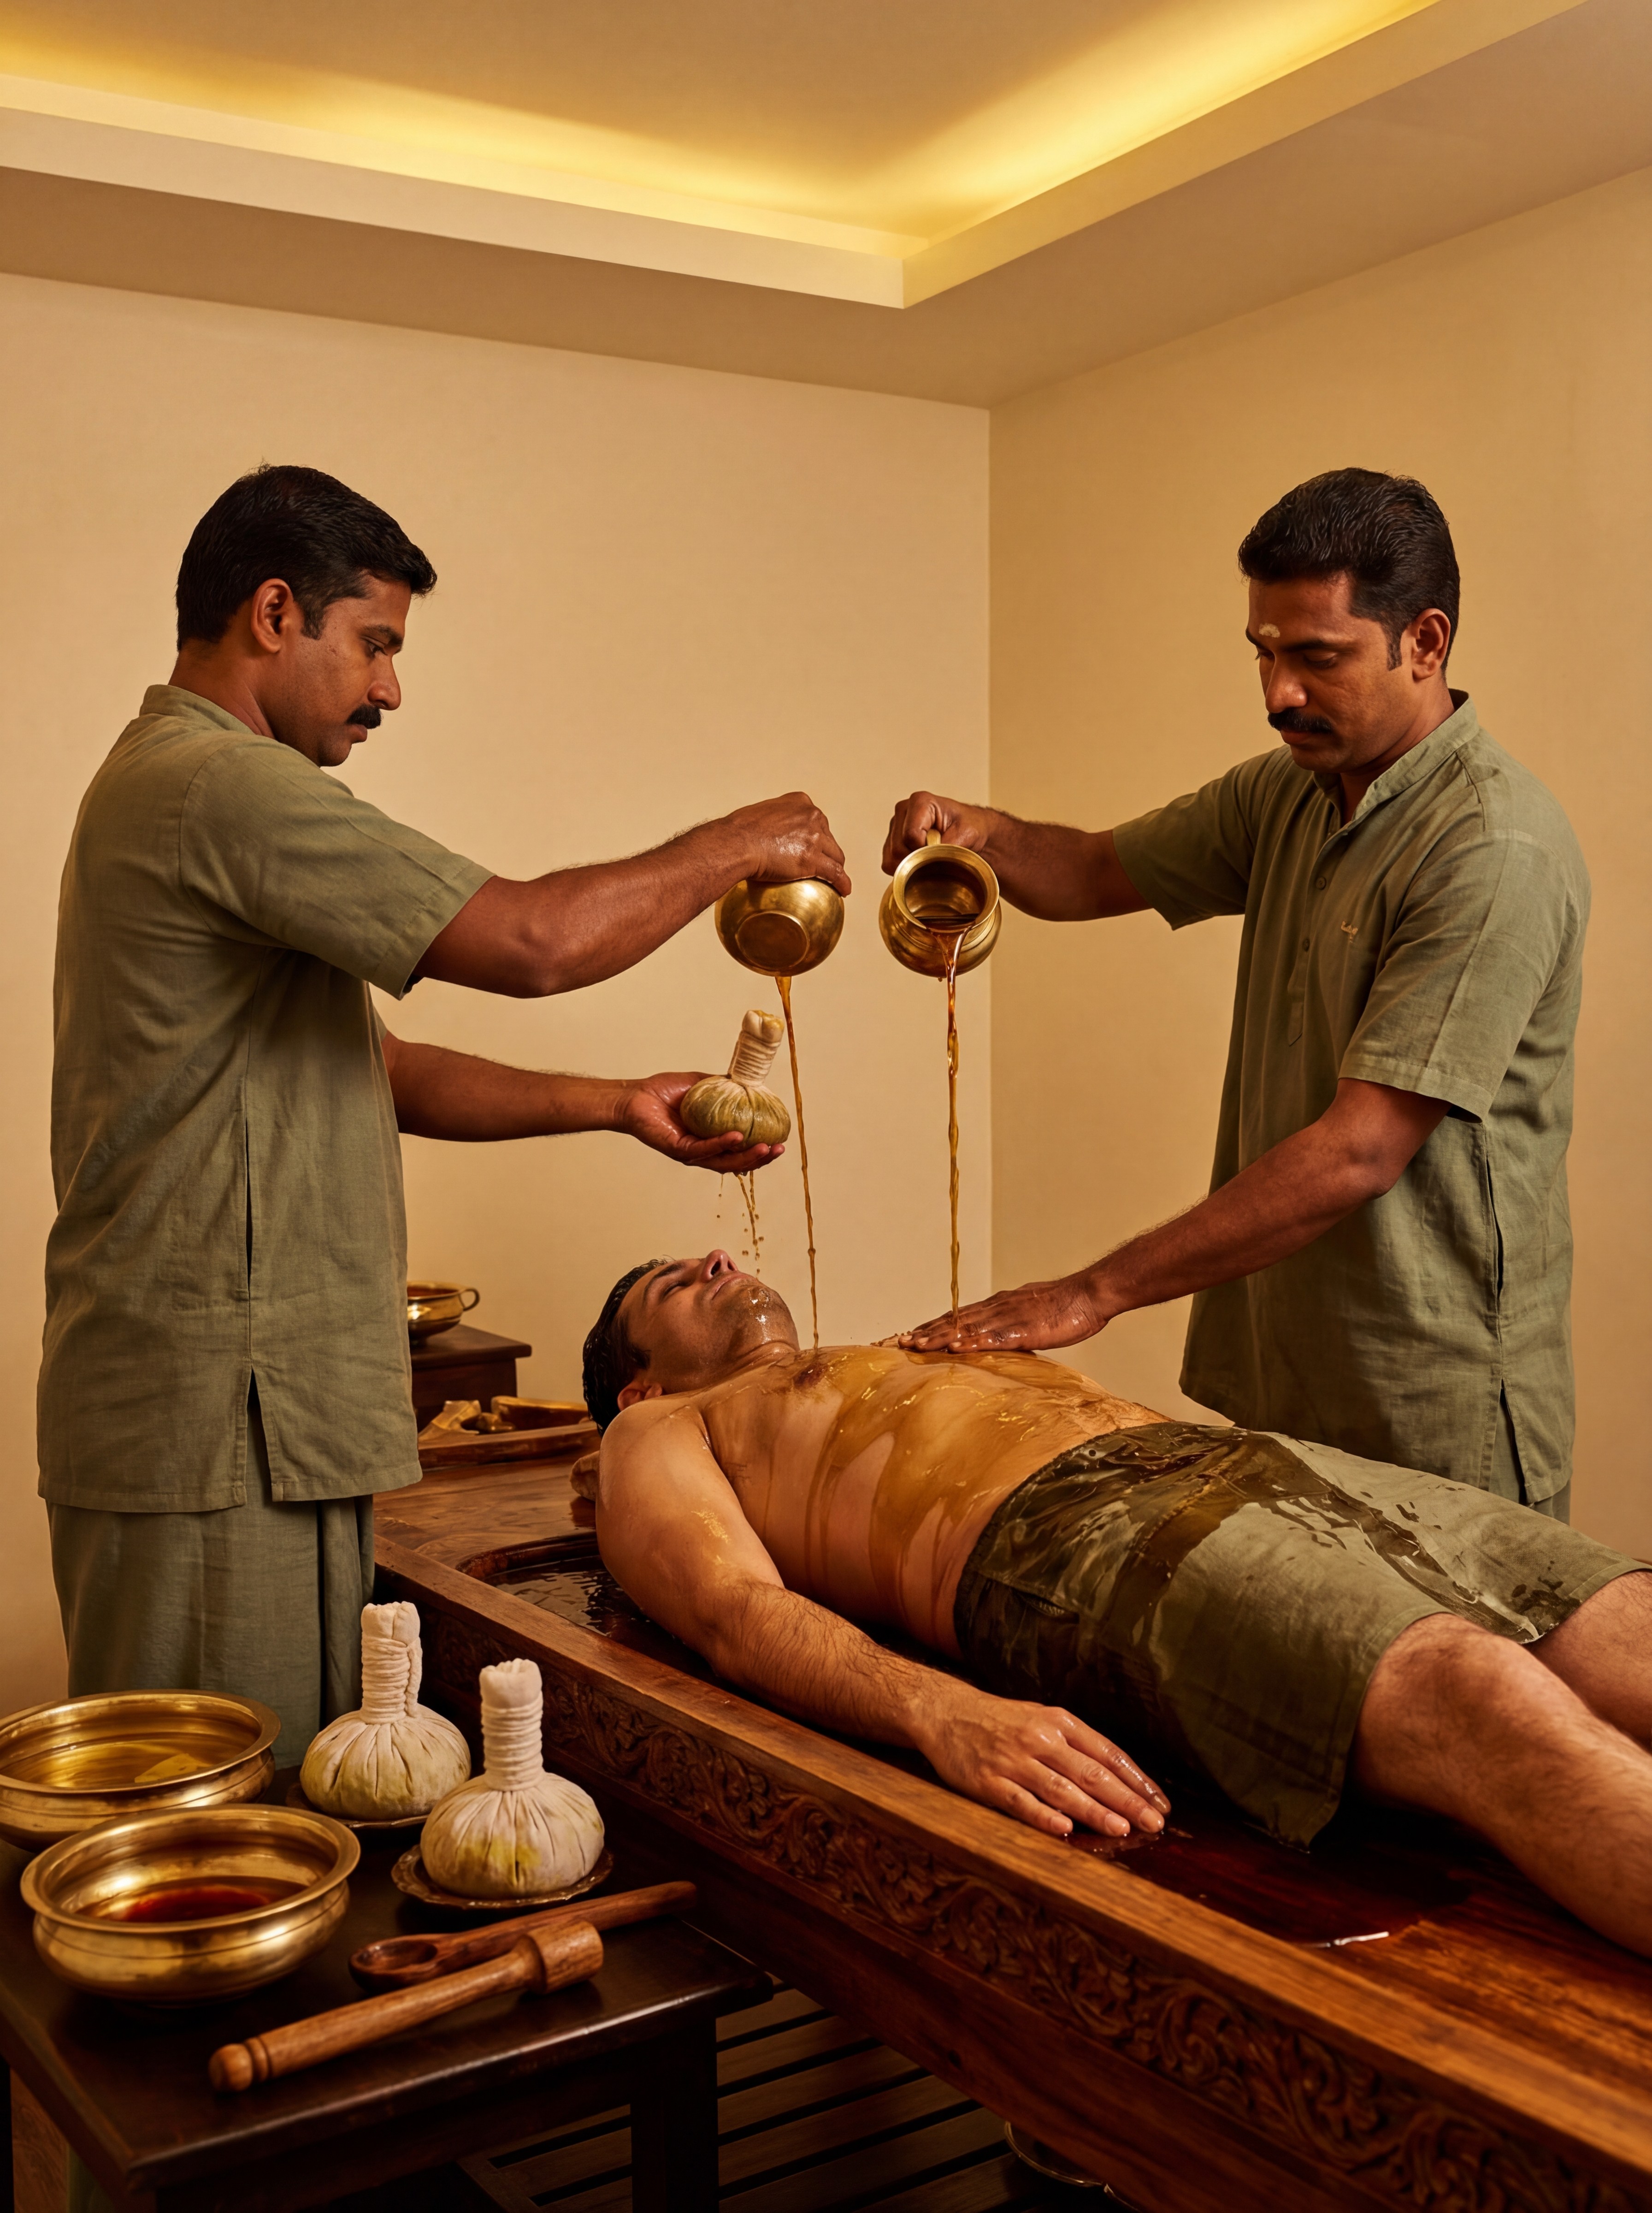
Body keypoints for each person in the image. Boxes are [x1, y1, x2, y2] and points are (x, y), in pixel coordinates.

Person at [41, 464, 850, 1763]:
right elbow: (534, 940)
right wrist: (734, 846)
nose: (389, 689)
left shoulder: (194, 796)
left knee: (302, 1795)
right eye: (375, 644)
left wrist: (618, 1105)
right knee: (221, 1820)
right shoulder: (222, 786)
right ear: (273, 614)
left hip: (261, 1419)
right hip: (214, 1423)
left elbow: (383, 1066)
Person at [579, 1250, 1652, 1958]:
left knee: (1623, 1624)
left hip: (1240, 1459)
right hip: (1068, 1535)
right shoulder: (659, 1430)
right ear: (640, 1384)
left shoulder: (876, 1353)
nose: (717, 1260)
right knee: (1473, 1690)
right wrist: (938, 1710)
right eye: (673, 1284)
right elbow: (731, 1610)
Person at [884, 469, 1587, 1518]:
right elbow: (1092, 872)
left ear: (1425, 642)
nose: (1277, 696)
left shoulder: (1492, 847)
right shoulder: (1287, 790)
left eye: (1317, 657)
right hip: (1283, 1378)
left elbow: (1359, 1151)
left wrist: (1090, 1293)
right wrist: (981, 833)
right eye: (1264, 652)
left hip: (1430, 1406)